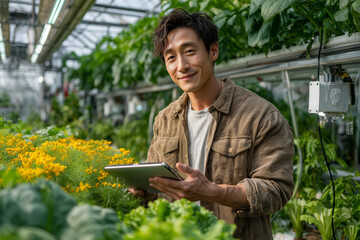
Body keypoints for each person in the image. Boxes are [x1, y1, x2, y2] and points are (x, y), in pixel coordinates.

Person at [129, 8, 294, 240]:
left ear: (213, 50)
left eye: (189, 51)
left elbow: (276, 190)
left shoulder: (261, 115)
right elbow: (158, 191)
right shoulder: (165, 120)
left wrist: (212, 192)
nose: (182, 66)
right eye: (171, 57)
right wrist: (143, 191)